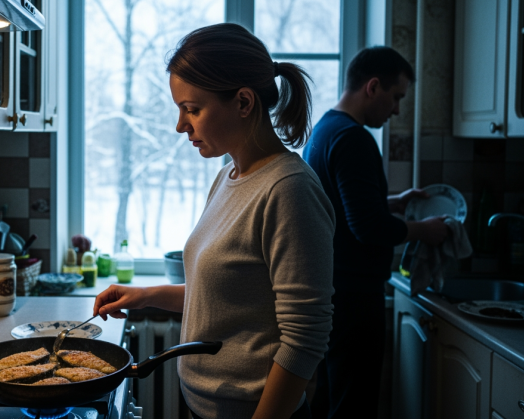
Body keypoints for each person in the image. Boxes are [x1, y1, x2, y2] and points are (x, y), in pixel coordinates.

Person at [93, 23, 335, 419]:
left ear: (243, 102)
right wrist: (146, 295)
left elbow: (305, 339)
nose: (180, 125)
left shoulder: (289, 190)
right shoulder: (228, 177)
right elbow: (228, 294)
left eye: (192, 109)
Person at [302, 46, 449, 419]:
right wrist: (424, 230)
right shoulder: (354, 138)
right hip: (354, 297)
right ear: (372, 87)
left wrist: (392, 201)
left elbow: (337, 205)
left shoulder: (325, 129)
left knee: (330, 398)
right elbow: (367, 227)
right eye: (396, 97)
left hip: (330, 290)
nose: (397, 110)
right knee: (353, 405)